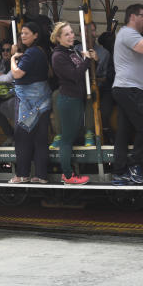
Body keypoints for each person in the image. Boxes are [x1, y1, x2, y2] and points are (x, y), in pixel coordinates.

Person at [111, 3, 143, 185]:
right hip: (128, 89)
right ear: (132, 17)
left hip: (127, 88)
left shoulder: (132, 35)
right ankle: (134, 166)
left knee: (124, 132)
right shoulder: (128, 33)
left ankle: (119, 171)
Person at [50, 22, 97, 185]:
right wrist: (87, 60)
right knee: (67, 140)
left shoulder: (71, 51)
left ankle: (70, 173)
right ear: (58, 38)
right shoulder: (58, 56)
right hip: (68, 100)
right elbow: (75, 75)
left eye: (71, 33)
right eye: (67, 34)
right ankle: (68, 176)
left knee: (71, 136)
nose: (71, 36)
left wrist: (88, 59)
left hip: (76, 99)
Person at [9, 22, 52, 184]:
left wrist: (13, 59)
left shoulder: (31, 53)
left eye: (26, 33)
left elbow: (17, 74)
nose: (23, 36)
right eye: (21, 33)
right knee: (40, 139)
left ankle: (22, 175)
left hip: (28, 103)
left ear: (36, 35)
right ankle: (41, 176)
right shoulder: (41, 51)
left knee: (22, 139)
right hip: (43, 101)